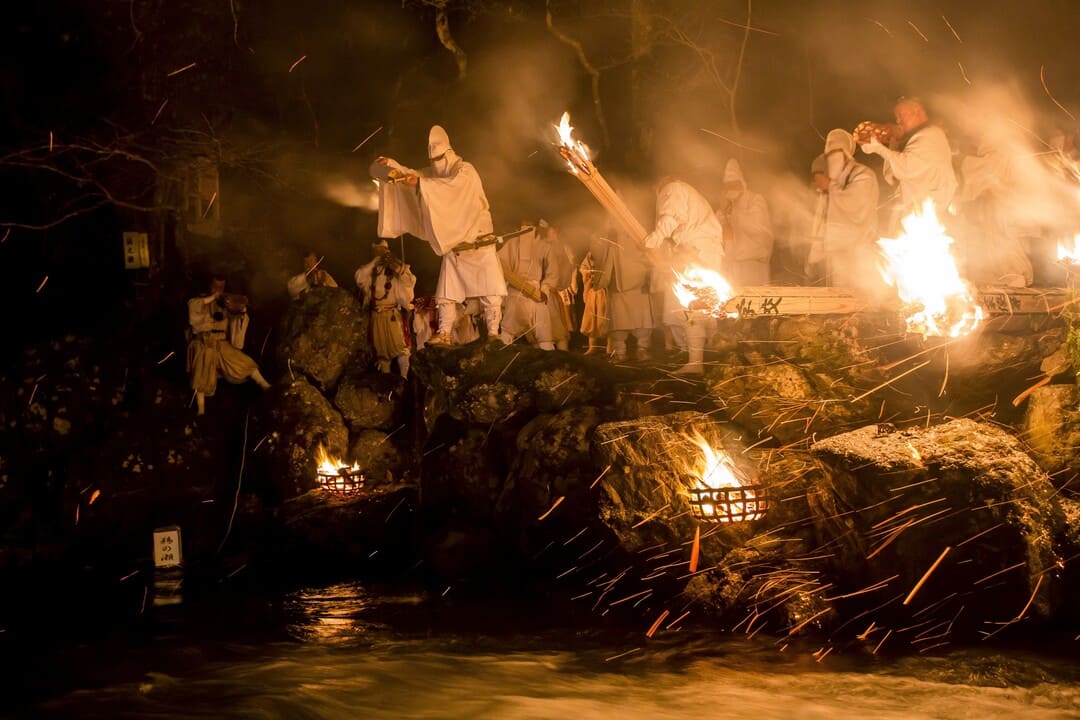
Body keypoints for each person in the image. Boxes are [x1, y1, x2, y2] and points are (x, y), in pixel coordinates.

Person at [372, 125, 506, 346]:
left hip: (479, 243)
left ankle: (493, 333)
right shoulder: (435, 174)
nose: (435, 164)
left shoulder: (465, 171)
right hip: (455, 246)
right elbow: (415, 175)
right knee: (445, 294)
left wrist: (420, 183)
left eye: (438, 159)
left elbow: (450, 188)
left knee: (490, 291)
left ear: (449, 153)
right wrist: (392, 166)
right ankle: (443, 332)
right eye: (432, 161)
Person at [643, 177, 725, 375]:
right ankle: (713, 353)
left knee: (694, 305)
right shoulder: (689, 193)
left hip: (699, 252)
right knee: (704, 305)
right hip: (703, 250)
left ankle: (696, 362)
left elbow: (671, 216)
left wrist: (653, 239)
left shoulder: (673, 188)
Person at [860, 97, 956, 225]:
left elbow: (906, 168)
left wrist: (878, 148)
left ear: (917, 111)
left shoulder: (931, 135)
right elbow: (893, 177)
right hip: (915, 215)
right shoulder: (919, 137)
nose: (897, 120)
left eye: (900, 115)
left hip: (930, 216)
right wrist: (893, 142)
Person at [186, 275, 270, 416]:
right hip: (204, 342)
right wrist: (213, 297)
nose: (219, 290)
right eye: (216, 286)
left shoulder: (227, 303)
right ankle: (201, 409)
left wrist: (241, 312)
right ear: (211, 286)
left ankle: (265, 385)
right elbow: (193, 310)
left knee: (242, 362)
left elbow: (237, 320)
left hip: (221, 342)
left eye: (221, 287)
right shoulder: (201, 300)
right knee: (201, 371)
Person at [821, 129, 881, 290]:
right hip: (838, 251)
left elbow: (856, 206)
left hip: (860, 250)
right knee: (839, 298)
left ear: (846, 154)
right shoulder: (833, 181)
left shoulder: (863, 174)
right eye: (829, 153)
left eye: (836, 152)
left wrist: (830, 188)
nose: (832, 157)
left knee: (863, 296)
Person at [588, 227, 654, 362]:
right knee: (619, 321)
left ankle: (642, 350)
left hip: (639, 285)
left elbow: (649, 254)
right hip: (617, 286)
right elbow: (597, 249)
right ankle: (620, 352)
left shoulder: (637, 231)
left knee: (642, 321)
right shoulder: (607, 233)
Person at [355, 238, 417, 376]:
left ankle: (404, 378)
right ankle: (386, 383)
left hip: (392, 315)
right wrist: (375, 261)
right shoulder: (370, 270)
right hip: (376, 317)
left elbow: (409, 281)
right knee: (381, 353)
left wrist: (397, 267)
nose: (379, 252)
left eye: (382, 250)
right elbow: (359, 278)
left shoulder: (394, 267)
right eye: (377, 250)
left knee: (401, 348)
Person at [498, 220, 557, 349]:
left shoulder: (544, 246)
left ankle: (549, 363)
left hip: (537, 294)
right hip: (515, 292)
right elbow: (500, 266)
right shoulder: (512, 243)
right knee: (508, 330)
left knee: (544, 334)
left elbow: (552, 272)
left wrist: (545, 290)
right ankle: (502, 359)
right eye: (524, 223)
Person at [718, 158, 774, 287]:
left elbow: (758, 229)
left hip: (753, 264)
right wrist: (723, 210)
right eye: (727, 186)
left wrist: (734, 213)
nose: (730, 188)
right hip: (734, 265)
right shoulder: (728, 205)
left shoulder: (755, 200)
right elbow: (718, 228)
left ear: (741, 183)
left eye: (734, 184)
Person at [804, 153, 830, 285]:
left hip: (835, 261)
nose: (818, 184)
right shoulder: (822, 197)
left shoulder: (840, 197)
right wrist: (812, 258)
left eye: (820, 179)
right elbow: (818, 229)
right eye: (816, 179)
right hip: (820, 260)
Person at [579, 250, 608, 355]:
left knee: (605, 318)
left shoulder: (609, 251)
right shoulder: (590, 254)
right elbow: (583, 268)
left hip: (605, 292)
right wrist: (589, 273)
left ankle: (609, 347)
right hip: (593, 291)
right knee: (591, 319)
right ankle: (593, 346)